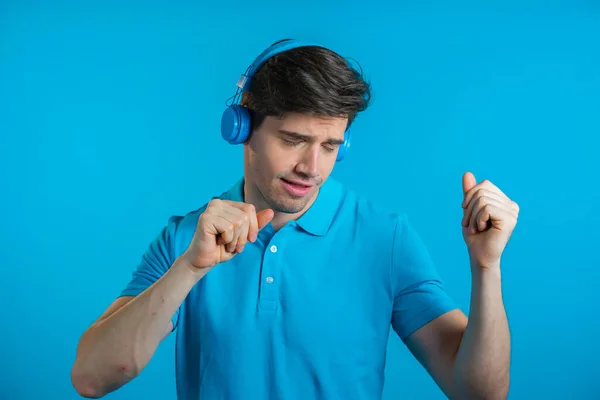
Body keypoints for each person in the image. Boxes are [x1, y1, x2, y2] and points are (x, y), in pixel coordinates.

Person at [71, 39, 519, 399]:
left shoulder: (387, 239)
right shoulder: (184, 240)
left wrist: (486, 266)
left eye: (330, 146)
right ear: (242, 128)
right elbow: (93, 379)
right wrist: (189, 269)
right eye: (293, 139)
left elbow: (480, 392)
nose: (313, 167)